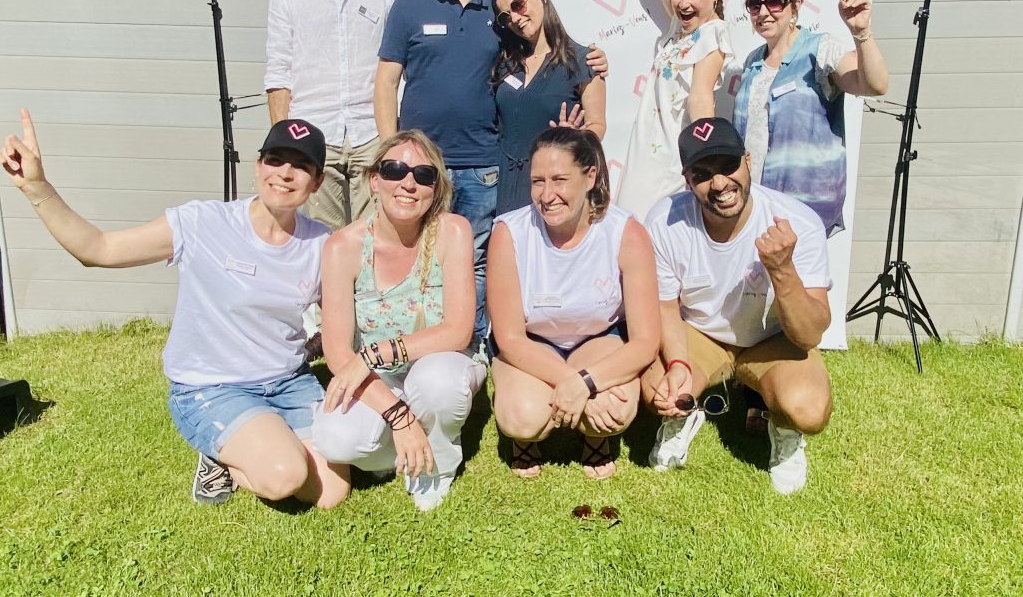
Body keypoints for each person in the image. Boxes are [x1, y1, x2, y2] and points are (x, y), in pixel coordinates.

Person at [1, 110, 351, 508]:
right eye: (275, 160)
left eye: (301, 166)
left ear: (318, 181)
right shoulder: (201, 223)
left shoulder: (323, 243)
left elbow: (351, 319)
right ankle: (218, 452)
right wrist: (37, 188)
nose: (285, 173)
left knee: (332, 493)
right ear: (258, 166)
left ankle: (254, 439)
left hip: (288, 381)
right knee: (284, 475)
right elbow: (98, 249)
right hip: (212, 386)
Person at [374, 0, 607, 353]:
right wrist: (392, 151)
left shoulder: (496, 14)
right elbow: (386, 81)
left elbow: (552, 58)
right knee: (414, 256)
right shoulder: (409, 4)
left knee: (479, 263)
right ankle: (407, 343)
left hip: (484, 167)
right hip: (421, 168)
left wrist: (594, 61)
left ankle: (472, 347)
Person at [643, 117, 833, 494]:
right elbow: (664, 309)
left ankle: (784, 430)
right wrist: (679, 364)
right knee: (655, 391)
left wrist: (781, 269)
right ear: (687, 179)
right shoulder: (664, 221)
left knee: (808, 409)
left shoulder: (797, 221)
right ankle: (684, 415)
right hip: (701, 335)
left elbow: (810, 333)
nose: (719, 184)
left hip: (772, 340)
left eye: (728, 166)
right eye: (702, 173)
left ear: (748, 161)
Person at [310, 130, 485, 512]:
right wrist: (397, 414)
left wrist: (379, 352)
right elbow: (338, 351)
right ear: (375, 179)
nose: (409, 183)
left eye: (424, 175)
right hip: (380, 378)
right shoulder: (344, 246)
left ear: (435, 188)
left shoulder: (452, 231)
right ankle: (400, 447)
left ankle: (436, 460)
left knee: (437, 383)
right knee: (334, 440)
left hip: (442, 360)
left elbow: (458, 330)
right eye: (395, 170)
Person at [487, 128, 659, 480]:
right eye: (538, 181)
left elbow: (645, 341)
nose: (547, 195)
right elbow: (510, 339)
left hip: (597, 339)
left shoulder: (626, 232)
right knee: (522, 417)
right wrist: (577, 384)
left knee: (616, 411)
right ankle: (529, 434)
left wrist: (586, 383)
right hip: (531, 344)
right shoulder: (509, 232)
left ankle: (594, 436)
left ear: (590, 176)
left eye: (560, 180)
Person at [265, 0, 397, 233]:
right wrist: (285, 145)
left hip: (371, 136)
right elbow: (278, 72)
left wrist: (391, 141)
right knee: (318, 248)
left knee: (375, 244)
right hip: (313, 136)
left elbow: (396, 65)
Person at [610, 0, 734, 221]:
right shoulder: (679, 26)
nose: (683, 2)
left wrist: (708, 159)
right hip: (645, 152)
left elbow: (700, 97)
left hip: (671, 160)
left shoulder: (713, 34)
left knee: (653, 235)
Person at [733, 0, 889, 236]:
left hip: (801, 212)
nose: (764, 12)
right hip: (754, 207)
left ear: (796, 5)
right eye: (755, 4)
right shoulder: (752, 62)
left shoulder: (821, 49)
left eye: (776, 2)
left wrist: (861, 32)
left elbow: (875, 85)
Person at [490, 0, 607, 215]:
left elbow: (597, 124)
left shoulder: (583, 61)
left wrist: (573, 138)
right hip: (504, 184)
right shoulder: (505, 64)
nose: (514, 18)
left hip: (552, 185)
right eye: (505, 16)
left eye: (518, 5)